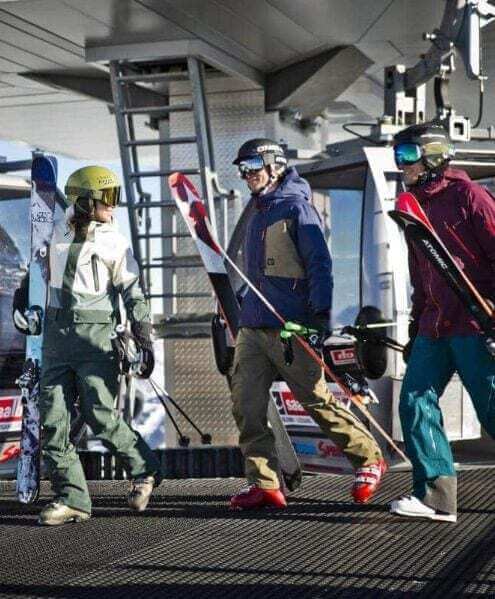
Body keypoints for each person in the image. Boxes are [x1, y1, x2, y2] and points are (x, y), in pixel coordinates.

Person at [229, 138, 386, 509]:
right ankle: (265, 482)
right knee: (246, 405)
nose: (247, 174)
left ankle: (368, 458)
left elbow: (320, 266)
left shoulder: (297, 208)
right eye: (243, 169)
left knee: (315, 399)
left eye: (253, 166)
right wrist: (239, 304)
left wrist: (317, 317)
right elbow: (260, 273)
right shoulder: (258, 212)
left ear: (275, 165)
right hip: (254, 325)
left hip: (290, 326)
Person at [13, 165, 161, 525]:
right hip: (56, 340)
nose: (113, 205)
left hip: (96, 340)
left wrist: (144, 338)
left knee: (100, 415)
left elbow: (133, 293)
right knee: (53, 421)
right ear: (83, 202)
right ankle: (73, 498)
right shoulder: (54, 233)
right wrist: (21, 301)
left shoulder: (114, 242)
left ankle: (144, 470)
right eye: (106, 198)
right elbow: (36, 273)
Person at [390, 123, 495, 523]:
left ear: (433, 156)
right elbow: (421, 274)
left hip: (474, 321)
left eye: (407, 156)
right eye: (398, 157)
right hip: (435, 325)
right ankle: (436, 497)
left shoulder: (469, 197)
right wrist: (415, 325)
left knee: (491, 410)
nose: (401, 165)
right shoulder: (412, 206)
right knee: (414, 401)